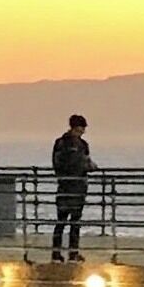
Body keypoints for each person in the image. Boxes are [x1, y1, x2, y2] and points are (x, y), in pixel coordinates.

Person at [49, 111, 93, 259]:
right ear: (77, 128)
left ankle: (56, 252)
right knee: (75, 222)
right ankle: (73, 252)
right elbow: (86, 164)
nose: (82, 131)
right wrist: (90, 167)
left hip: (63, 186)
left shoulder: (59, 143)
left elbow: (56, 164)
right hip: (78, 187)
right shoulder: (82, 145)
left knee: (60, 221)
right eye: (81, 129)